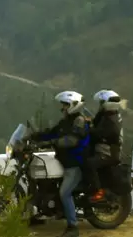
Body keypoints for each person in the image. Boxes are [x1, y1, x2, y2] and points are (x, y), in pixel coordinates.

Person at [31, 91, 90, 237]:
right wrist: (35, 136)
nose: (62, 108)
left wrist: (51, 142)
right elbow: (53, 132)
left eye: (65, 105)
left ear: (74, 105)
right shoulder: (66, 121)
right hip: (65, 161)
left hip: (75, 163)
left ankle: (73, 227)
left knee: (65, 193)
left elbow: (71, 141)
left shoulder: (79, 121)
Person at [87, 89, 124, 203]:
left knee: (89, 164)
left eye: (102, 103)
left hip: (109, 153)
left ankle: (98, 192)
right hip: (107, 151)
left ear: (108, 103)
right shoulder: (110, 115)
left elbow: (100, 133)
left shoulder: (111, 119)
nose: (100, 105)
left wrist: (89, 129)